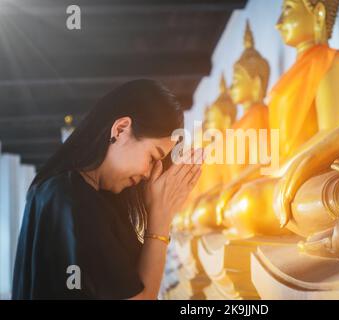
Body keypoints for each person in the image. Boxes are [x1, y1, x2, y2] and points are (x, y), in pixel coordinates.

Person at [12, 79, 202, 299]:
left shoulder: (84, 196)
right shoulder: (70, 198)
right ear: (120, 129)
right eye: (152, 157)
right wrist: (161, 217)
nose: (149, 174)